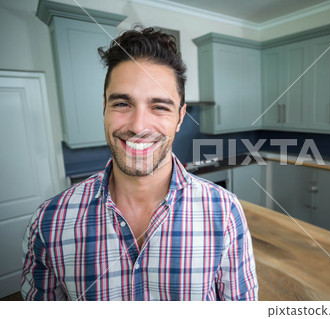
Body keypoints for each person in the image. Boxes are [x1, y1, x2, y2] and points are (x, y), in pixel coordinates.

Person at [21, 26, 258, 301]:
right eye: (122, 103)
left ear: (180, 117)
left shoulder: (226, 213)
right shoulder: (49, 223)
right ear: (104, 108)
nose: (138, 126)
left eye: (159, 107)